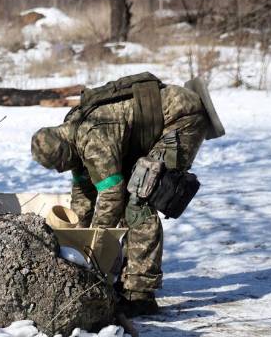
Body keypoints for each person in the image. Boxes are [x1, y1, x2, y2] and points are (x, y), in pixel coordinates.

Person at [31, 74, 216, 316]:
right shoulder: (72, 132)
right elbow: (83, 193)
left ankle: (140, 295)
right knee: (129, 196)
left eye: (60, 163)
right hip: (154, 124)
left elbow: (111, 197)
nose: (61, 169)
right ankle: (128, 280)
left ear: (65, 149)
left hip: (182, 119)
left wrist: (93, 248)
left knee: (138, 202)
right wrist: (75, 235)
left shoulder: (93, 138)